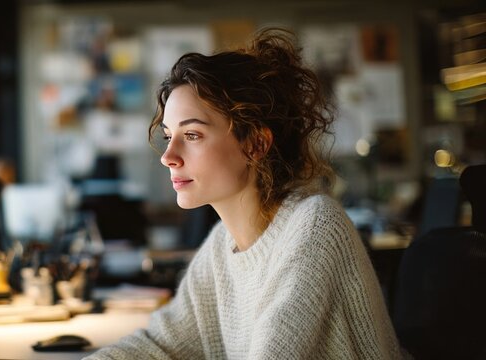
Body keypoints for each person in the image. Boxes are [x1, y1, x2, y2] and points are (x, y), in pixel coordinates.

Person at [86, 28, 403, 359]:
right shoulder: (222, 246)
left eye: (192, 135)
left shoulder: (313, 227)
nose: (169, 156)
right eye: (169, 136)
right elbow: (159, 345)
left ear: (255, 144)